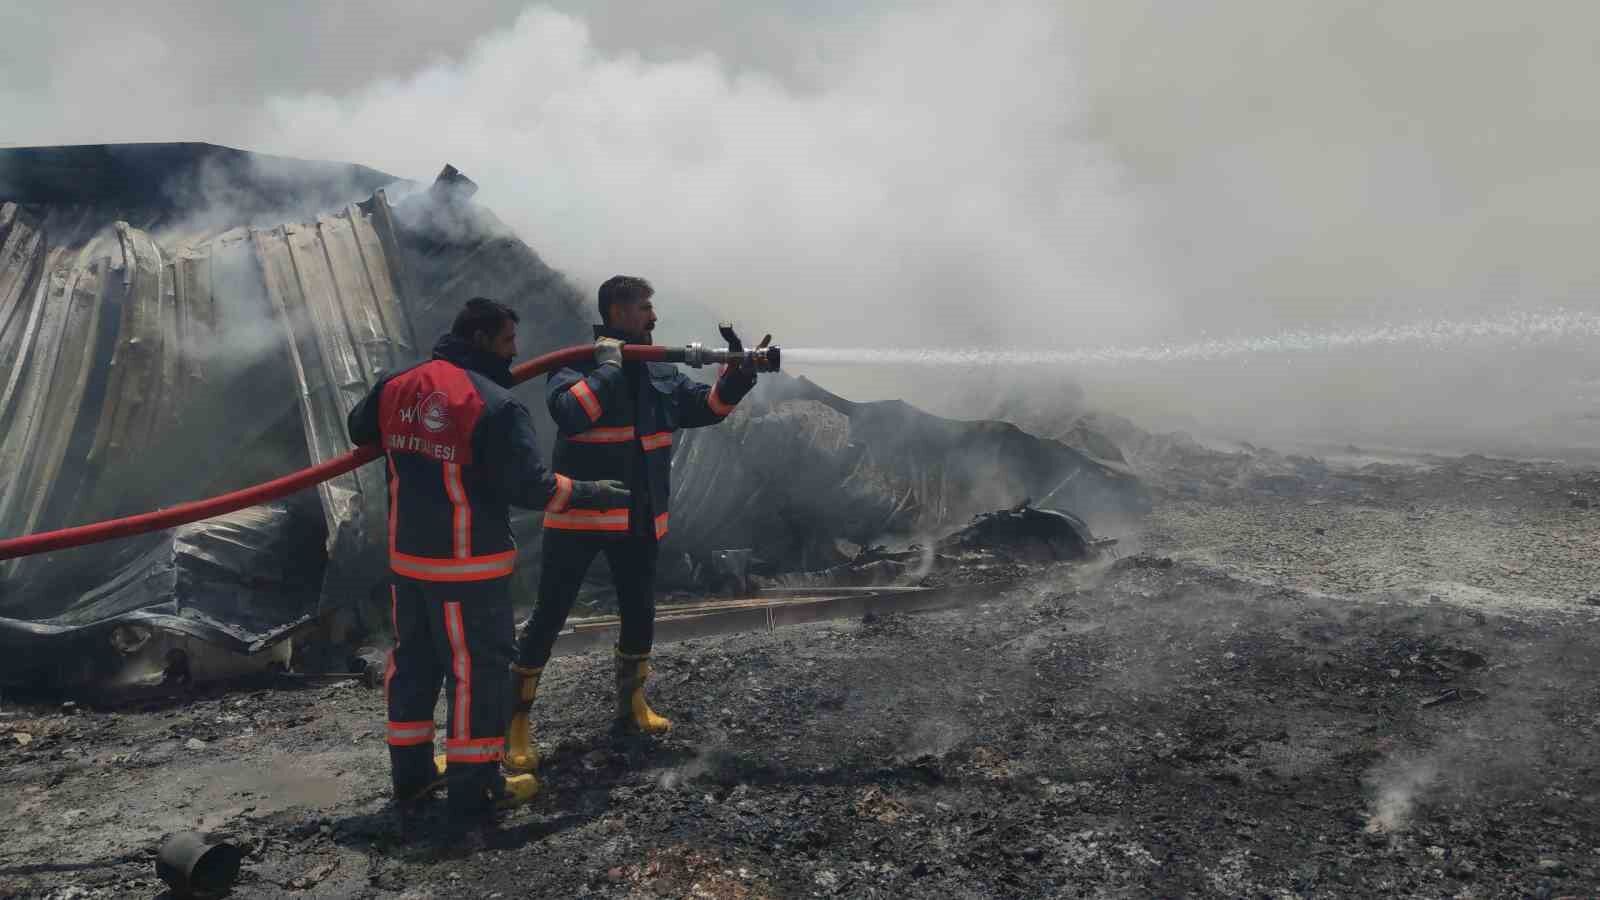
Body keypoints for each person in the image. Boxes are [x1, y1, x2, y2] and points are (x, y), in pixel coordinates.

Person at [347, 297, 631, 828]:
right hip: (467, 570)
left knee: (413, 668)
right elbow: (532, 486)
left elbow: (358, 429)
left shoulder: (397, 383)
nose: (514, 353)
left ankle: (411, 776)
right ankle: (476, 788)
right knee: (477, 675)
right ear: (480, 340)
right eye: (506, 343)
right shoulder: (496, 405)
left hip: (409, 566)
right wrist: (593, 492)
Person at [505, 276, 763, 772]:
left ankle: (632, 707)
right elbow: (571, 416)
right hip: (580, 518)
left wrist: (737, 373)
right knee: (549, 616)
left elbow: (706, 409)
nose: (654, 317)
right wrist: (608, 370)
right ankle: (515, 723)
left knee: (639, 612)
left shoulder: (658, 370)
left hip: (639, 519)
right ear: (617, 311)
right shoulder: (574, 363)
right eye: (645, 307)